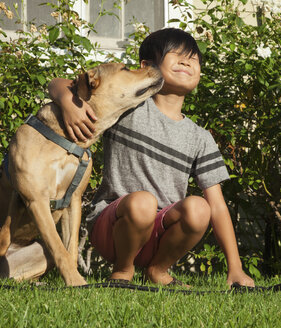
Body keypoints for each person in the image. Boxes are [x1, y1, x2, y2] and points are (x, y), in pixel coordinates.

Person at [48, 28, 254, 287]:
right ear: (147, 66)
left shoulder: (200, 137)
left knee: (200, 207)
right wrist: (68, 102)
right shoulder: (128, 106)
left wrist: (235, 268)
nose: (186, 61)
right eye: (176, 54)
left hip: (161, 234)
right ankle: (123, 271)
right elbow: (57, 84)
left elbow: (219, 207)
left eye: (193, 58)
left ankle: (158, 270)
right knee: (143, 202)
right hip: (113, 227)